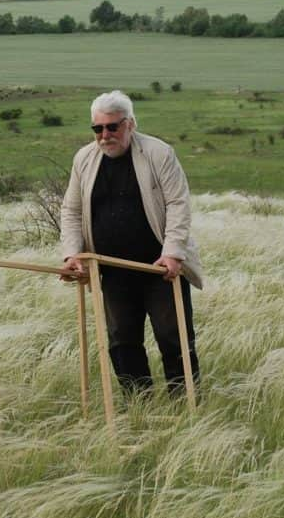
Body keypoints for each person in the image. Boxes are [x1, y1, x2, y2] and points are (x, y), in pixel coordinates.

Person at [59, 90, 202, 397]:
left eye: (113, 127)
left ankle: (187, 405)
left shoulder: (158, 153)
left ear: (130, 124)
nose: (105, 135)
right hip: (111, 270)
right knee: (122, 340)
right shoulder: (84, 159)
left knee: (173, 337)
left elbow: (178, 203)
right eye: (98, 128)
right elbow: (71, 210)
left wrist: (173, 253)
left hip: (160, 268)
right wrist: (72, 254)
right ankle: (139, 405)